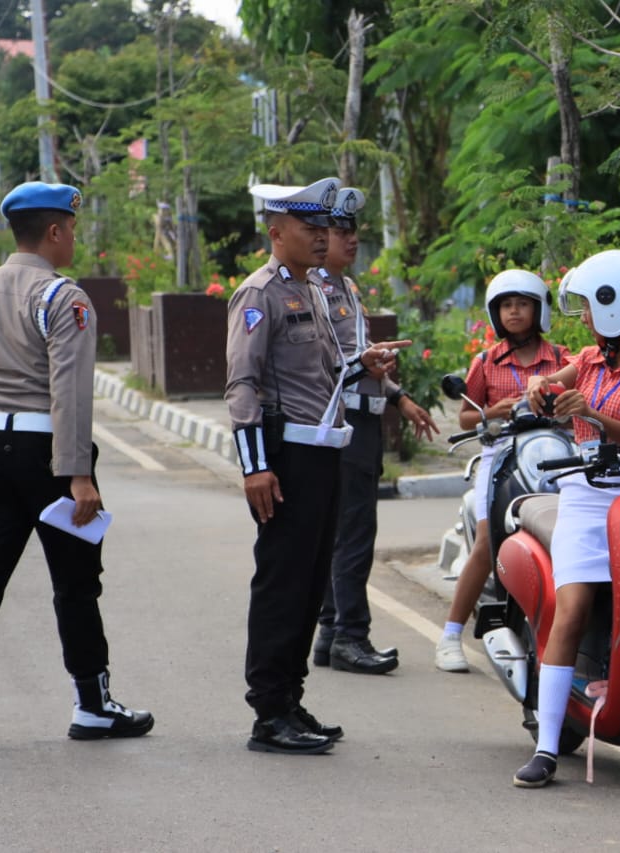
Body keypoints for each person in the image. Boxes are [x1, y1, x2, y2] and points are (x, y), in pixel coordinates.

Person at [226, 178, 409, 755]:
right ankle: (268, 712)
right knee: (282, 583)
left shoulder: (315, 292)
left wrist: (366, 364)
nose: (323, 237)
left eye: (325, 228)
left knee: (310, 584)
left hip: (325, 449)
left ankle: (289, 698)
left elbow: (327, 377)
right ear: (277, 233)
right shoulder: (260, 295)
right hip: (286, 457)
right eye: (311, 229)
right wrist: (255, 468)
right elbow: (243, 386)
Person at [0, 181, 153, 745]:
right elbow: (70, 392)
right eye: (72, 229)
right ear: (54, 232)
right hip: (47, 455)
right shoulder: (64, 297)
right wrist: (78, 474)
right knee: (76, 584)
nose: (74, 238)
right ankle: (93, 705)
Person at [512, 249, 620, 788]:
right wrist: (540, 390)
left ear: (616, 305)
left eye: (589, 305)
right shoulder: (588, 359)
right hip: (586, 494)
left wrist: (590, 414)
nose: (584, 315)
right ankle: (546, 745)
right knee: (574, 606)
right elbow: (542, 387)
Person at [310, 187, 439, 676]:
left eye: (352, 231)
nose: (351, 239)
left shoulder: (344, 287)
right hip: (343, 423)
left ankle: (329, 633)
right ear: (320, 237)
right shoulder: (318, 290)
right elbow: (327, 364)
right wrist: (368, 364)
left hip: (360, 416)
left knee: (340, 533)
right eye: (341, 231)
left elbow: (358, 363)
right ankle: (350, 636)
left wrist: (400, 397)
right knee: (353, 535)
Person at [434, 268, 570, 673]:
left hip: (553, 449)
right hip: (501, 451)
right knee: (486, 541)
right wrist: (493, 411)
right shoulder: (485, 362)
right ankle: (450, 636)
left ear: (539, 310)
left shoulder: (562, 358)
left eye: (523, 304)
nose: (514, 312)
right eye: (507, 305)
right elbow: (464, 417)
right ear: (496, 313)